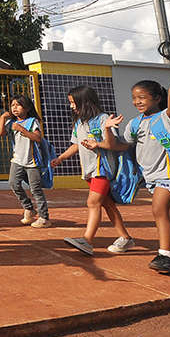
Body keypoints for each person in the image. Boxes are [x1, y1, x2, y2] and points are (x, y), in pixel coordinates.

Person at [100, 78, 170, 273]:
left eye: (142, 97)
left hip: (169, 175)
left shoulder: (165, 118)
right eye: (134, 98)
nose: (136, 101)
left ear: (157, 98)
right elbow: (119, 146)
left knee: (159, 210)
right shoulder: (135, 123)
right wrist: (107, 129)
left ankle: (165, 255)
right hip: (151, 177)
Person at [53, 85, 134, 256]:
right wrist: (61, 158)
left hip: (102, 169)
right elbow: (75, 144)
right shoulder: (80, 123)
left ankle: (87, 240)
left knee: (93, 203)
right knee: (108, 205)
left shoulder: (104, 119)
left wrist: (100, 139)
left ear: (85, 101)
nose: (71, 106)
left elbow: (112, 145)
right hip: (89, 171)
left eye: (73, 102)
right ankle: (125, 238)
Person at [0, 95, 50, 228]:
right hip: (17, 160)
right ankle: (29, 208)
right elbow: (0, 133)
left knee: (35, 189)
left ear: (26, 108)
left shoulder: (32, 121)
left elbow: (37, 138)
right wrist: (3, 118)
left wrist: (22, 130)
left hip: (32, 162)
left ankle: (44, 217)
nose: (14, 107)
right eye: (12, 105)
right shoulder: (11, 123)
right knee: (13, 183)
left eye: (18, 105)